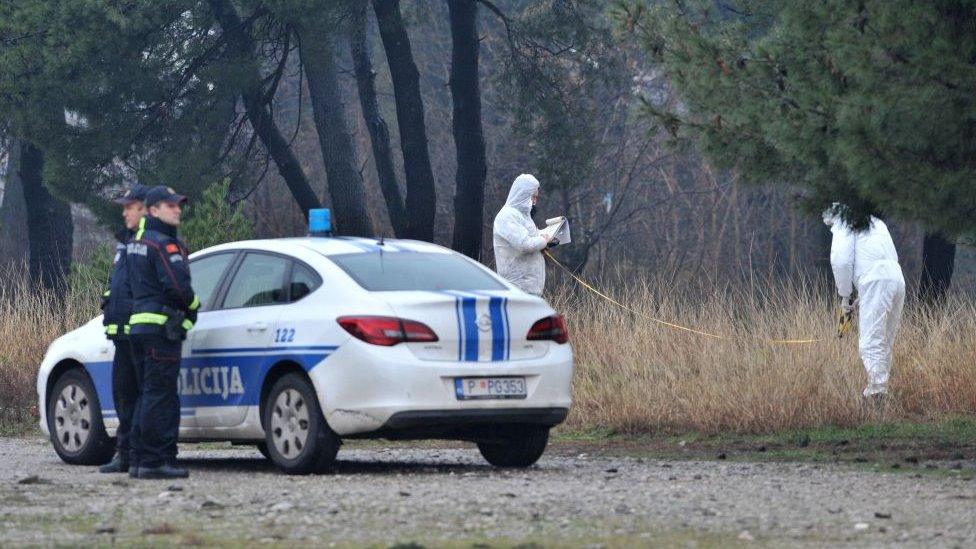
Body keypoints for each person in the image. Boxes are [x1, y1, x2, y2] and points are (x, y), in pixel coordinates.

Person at [127, 186, 198, 479]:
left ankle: (139, 459)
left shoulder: (136, 243)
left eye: (178, 205)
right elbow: (179, 287)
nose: (177, 210)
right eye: (170, 206)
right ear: (153, 210)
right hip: (160, 330)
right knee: (161, 396)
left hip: (139, 328)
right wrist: (194, 308)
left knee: (146, 395)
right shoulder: (164, 245)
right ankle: (156, 461)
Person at [823, 204, 905, 400]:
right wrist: (863, 295)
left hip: (875, 280)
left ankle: (876, 394)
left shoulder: (844, 221)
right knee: (885, 340)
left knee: (870, 341)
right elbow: (881, 259)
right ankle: (880, 389)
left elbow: (841, 260)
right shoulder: (878, 223)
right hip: (896, 279)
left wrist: (845, 296)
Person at [98, 184, 149, 474]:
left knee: (140, 396)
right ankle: (125, 454)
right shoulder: (125, 243)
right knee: (123, 396)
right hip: (120, 334)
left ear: (144, 209)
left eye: (129, 206)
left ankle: (139, 455)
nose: (124, 211)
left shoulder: (147, 243)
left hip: (139, 334)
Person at [492, 174, 554, 295]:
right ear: (523, 194)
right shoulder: (507, 216)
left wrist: (545, 239)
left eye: (536, 197)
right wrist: (543, 240)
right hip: (517, 288)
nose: (535, 201)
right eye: (533, 197)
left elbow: (531, 239)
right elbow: (525, 244)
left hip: (529, 288)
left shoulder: (523, 217)